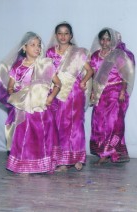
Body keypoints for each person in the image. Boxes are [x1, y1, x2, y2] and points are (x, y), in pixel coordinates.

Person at [0, 32, 61, 174]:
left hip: (42, 107)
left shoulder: (46, 64)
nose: (37, 48)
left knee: (43, 135)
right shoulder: (17, 67)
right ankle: (24, 165)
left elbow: (58, 84)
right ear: (24, 47)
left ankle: (44, 164)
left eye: (39, 45)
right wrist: (17, 94)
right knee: (25, 136)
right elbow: (10, 87)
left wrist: (50, 98)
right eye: (32, 45)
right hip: (25, 108)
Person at [46, 22, 94, 171]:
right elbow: (46, 72)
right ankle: (61, 160)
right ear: (56, 36)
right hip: (56, 92)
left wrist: (84, 82)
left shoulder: (78, 52)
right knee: (58, 125)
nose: (63, 36)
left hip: (74, 93)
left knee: (75, 125)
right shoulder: (50, 53)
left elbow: (90, 71)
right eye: (60, 33)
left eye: (66, 33)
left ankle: (77, 157)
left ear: (71, 36)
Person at [89, 28, 135, 165]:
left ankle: (108, 152)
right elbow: (93, 74)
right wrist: (92, 90)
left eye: (108, 39)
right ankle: (103, 150)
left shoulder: (117, 55)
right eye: (102, 39)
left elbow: (125, 75)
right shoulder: (95, 55)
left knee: (112, 123)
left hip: (115, 92)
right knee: (98, 123)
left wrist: (122, 91)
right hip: (100, 93)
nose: (105, 42)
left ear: (112, 41)